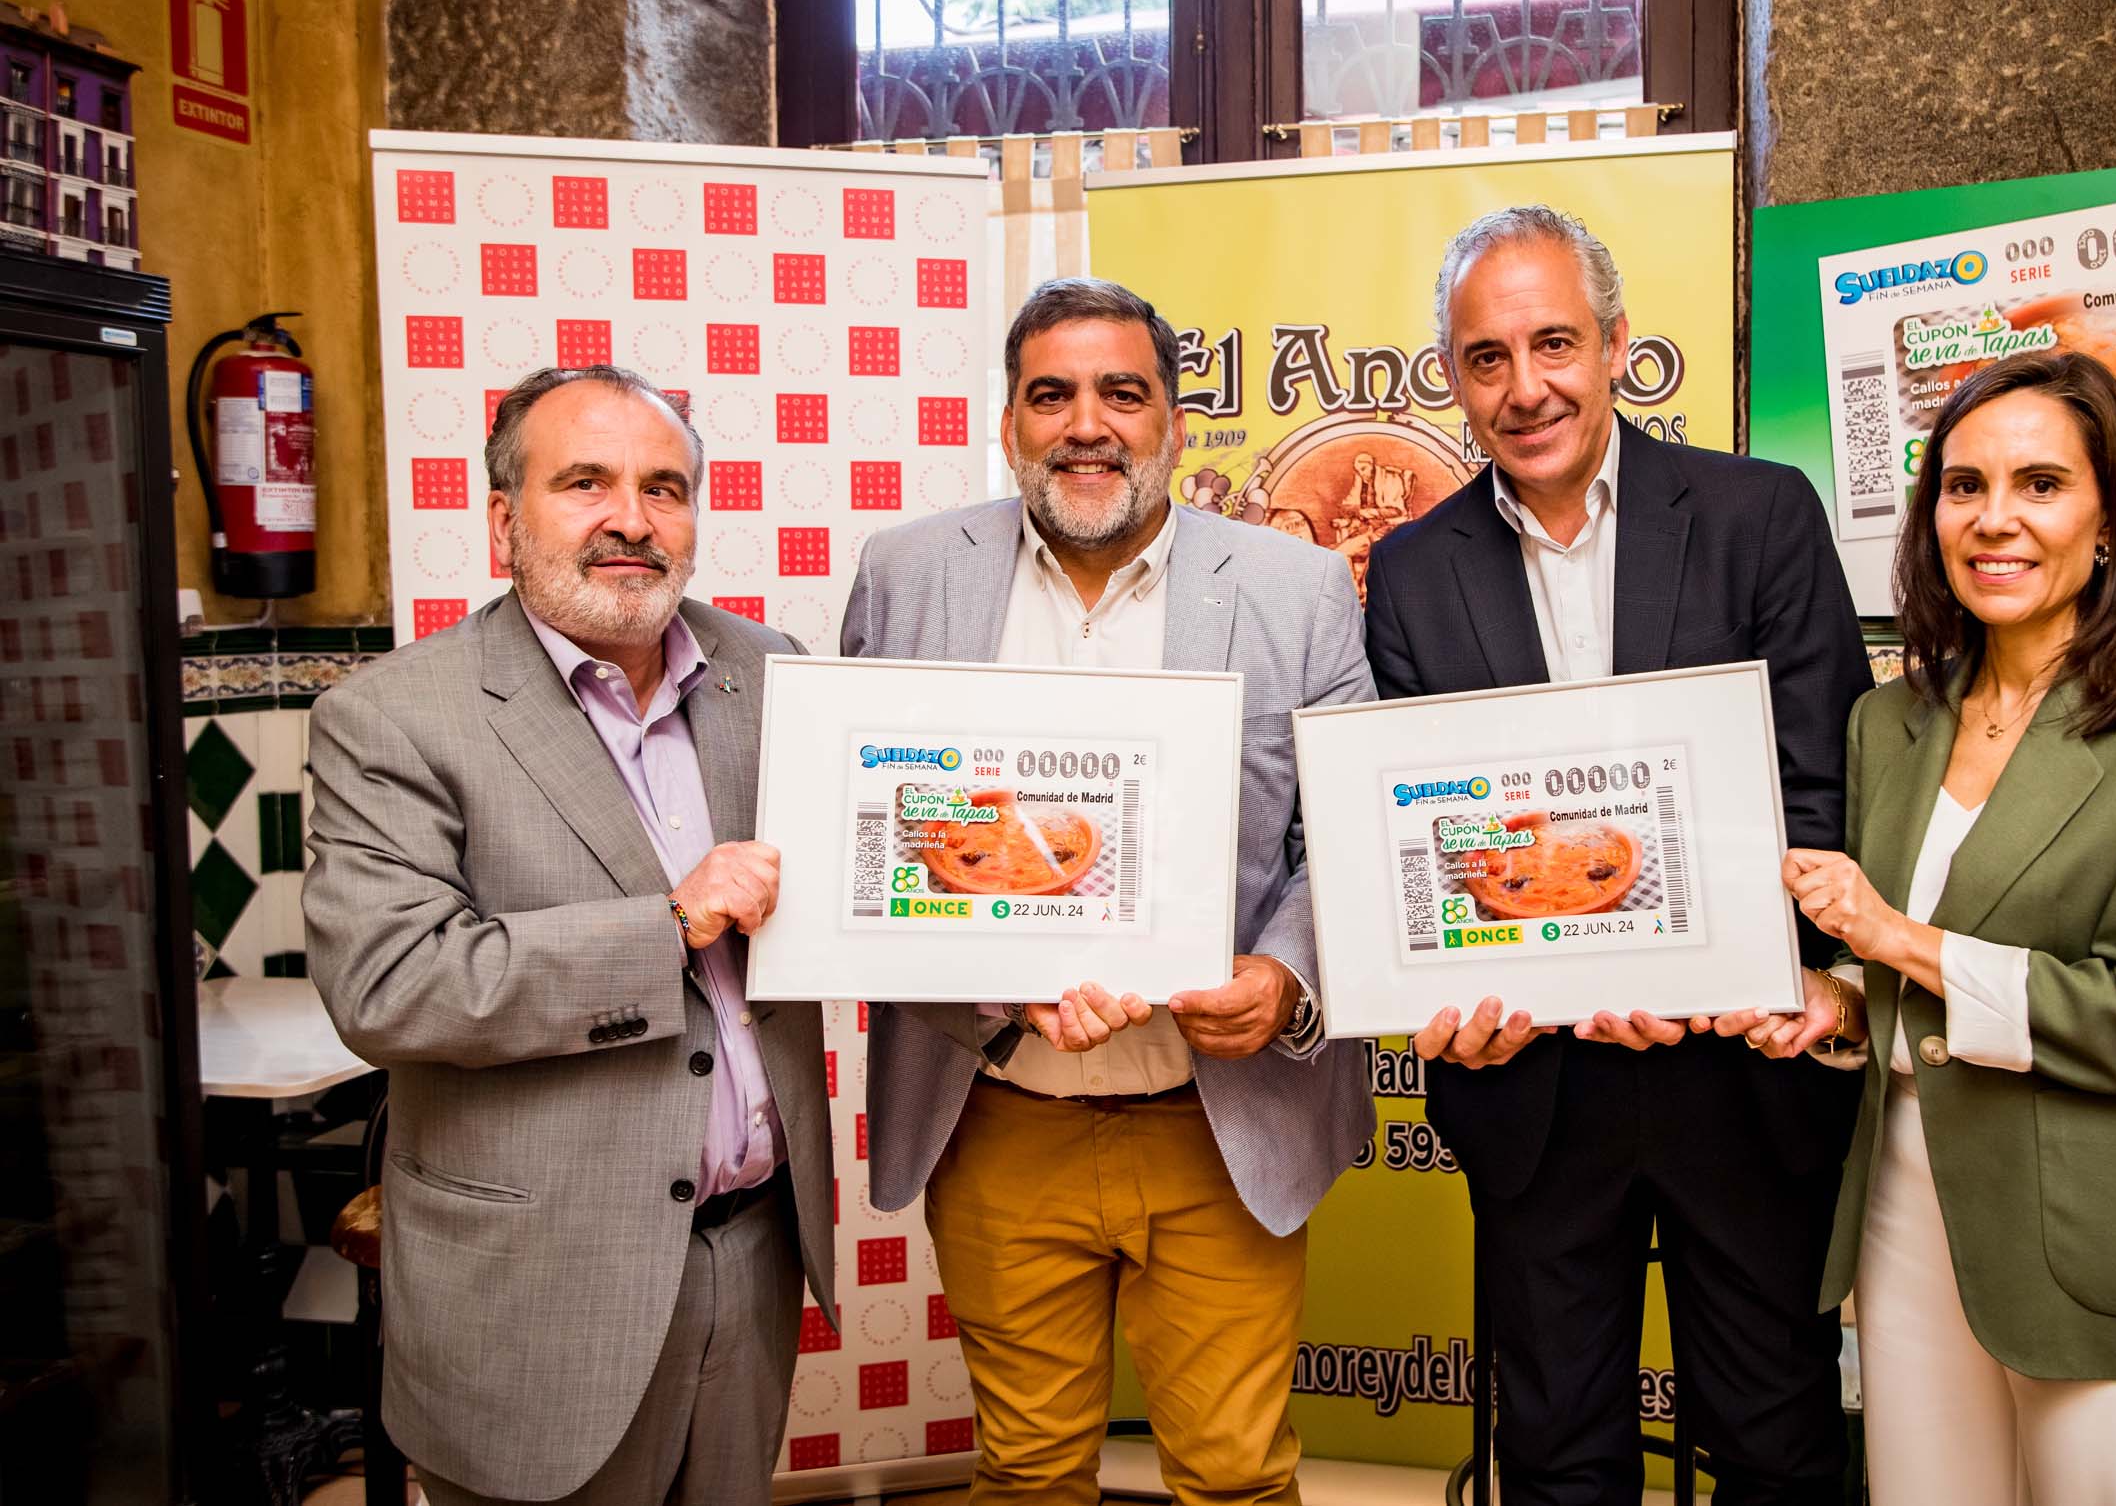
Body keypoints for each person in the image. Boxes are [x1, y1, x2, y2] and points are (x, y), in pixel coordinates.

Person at [1362, 205, 1871, 1505]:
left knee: (1775, 1441)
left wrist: (1734, 965)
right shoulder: (1414, 572)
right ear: (1452, 374)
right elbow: (1425, 842)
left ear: (1617, 344)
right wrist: (1441, 994)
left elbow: (1821, 785)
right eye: (1487, 358)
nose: (1525, 387)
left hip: (1742, 1075)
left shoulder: (1759, 515)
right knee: (1556, 1458)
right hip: (1534, 1091)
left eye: (1554, 344)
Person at [842, 277, 1375, 1506]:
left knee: (1236, 1475)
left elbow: (1339, 833)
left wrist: (1282, 975)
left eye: (1121, 393)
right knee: (1024, 1471)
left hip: (1217, 1116)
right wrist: (978, 965)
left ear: (1174, 424)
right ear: (1011, 422)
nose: (1088, 424)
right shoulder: (906, 574)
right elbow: (861, 827)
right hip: (997, 1107)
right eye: (1052, 395)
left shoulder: (1296, 589)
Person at [1726, 349, 2116, 1503]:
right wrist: (1829, 1000)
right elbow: (1892, 980)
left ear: (2110, 515)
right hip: (1906, 1219)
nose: (1994, 519)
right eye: (1963, 485)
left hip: (2106, 1237)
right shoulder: (1892, 721)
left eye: (2040, 484)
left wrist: (1886, 940)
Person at [305, 365, 837, 1506]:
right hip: (537, 1285)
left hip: (751, 1255)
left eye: (664, 486)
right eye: (585, 482)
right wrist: (672, 923)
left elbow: (866, 900)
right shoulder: (394, 716)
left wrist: (1020, 973)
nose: (632, 520)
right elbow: (389, 983)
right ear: (504, 518)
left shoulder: (774, 673)